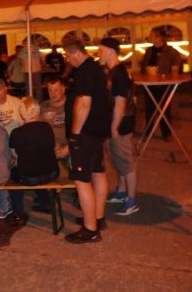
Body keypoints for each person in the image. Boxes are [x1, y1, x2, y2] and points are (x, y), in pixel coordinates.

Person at [64, 38, 112, 244]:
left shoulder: (84, 71)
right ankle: (97, 218)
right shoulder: (95, 68)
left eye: (67, 56)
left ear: (75, 53)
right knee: (98, 173)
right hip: (97, 132)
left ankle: (90, 229)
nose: (68, 60)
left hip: (85, 134)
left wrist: (75, 134)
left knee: (81, 180)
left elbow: (84, 102)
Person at [99, 37, 139, 216]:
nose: (99, 54)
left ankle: (131, 200)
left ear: (110, 51)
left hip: (121, 124)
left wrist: (114, 127)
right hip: (113, 123)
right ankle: (122, 192)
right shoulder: (113, 71)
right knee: (117, 160)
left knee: (126, 162)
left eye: (101, 50)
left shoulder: (119, 73)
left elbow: (121, 102)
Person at [7, 97, 60, 226]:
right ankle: (45, 202)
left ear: (22, 114)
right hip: (52, 173)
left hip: (30, 178)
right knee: (37, 166)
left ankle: (18, 212)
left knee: (13, 174)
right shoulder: (47, 127)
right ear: (37, 111)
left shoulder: (16, 133)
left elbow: (14, 155)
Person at [140, 27, 183, 141]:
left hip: (164, 85)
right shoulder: (149, 51)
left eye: (152, 36)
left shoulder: (171, 51)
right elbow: (143, 66)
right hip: (149, 84)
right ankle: (148, 133)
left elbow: (178, 67)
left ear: (160, 38)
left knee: (164, 110)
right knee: (149, 110)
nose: (150, 38)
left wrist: (168, 75)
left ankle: (166, 133)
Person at [40, 76, 69, 161]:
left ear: (63, 89)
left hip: (69, 147)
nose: (53, 94)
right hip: (49, 148)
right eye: (50, 90)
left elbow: (83, 132)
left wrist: (68, 148)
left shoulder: (73, 105)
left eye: (56, 90)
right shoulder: (42, 107)